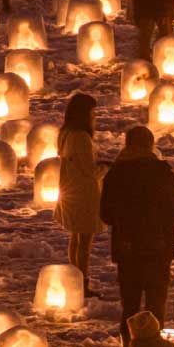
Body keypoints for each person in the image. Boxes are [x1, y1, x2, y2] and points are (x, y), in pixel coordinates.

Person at [101, 126, 174, 345]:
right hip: (158, 248)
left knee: (130, 307)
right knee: (156, 306)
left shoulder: (115, 174)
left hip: (127, 250)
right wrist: (158, 221)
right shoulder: (161, 171)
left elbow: (105, 214)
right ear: (150, 145)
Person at [54, 93, 102, 296]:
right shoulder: (81, 137)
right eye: (92, 112)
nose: (94, 116)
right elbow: (90, 171)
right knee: (84, 242)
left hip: (70, 190)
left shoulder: (66, 134)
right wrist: (106, 168)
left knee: (76, 238)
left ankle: (76, 279)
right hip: (83, 194)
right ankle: (81, 282)